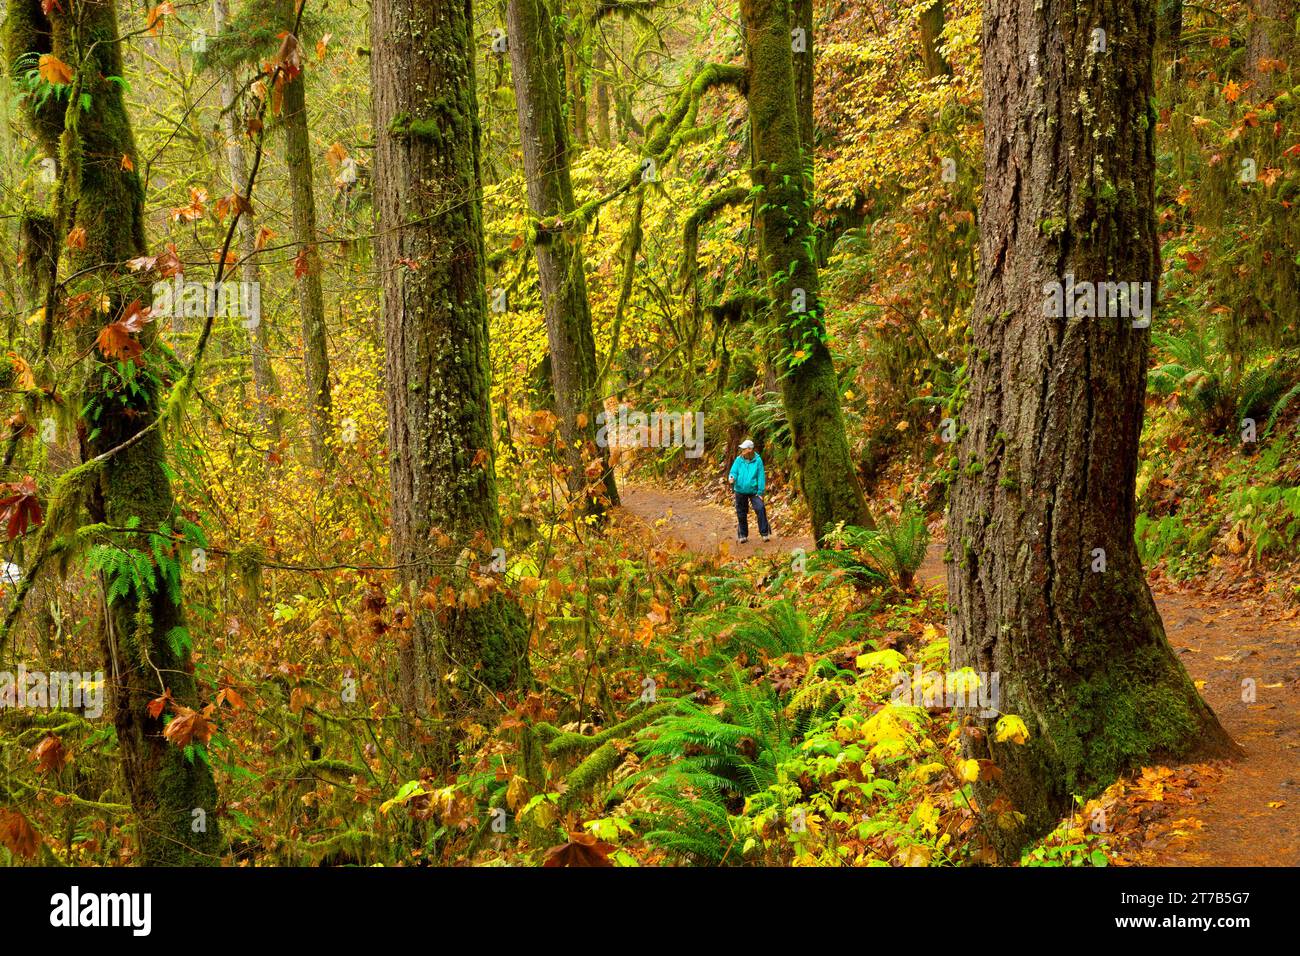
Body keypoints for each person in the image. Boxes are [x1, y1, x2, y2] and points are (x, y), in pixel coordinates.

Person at [728, 439, 771, 543]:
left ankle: (764, 533)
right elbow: (733, 471)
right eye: (742, 449)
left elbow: (761, 476)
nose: (742, 451)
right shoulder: (738, 460)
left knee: (760, 508)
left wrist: (760, 492)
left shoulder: (758, 460)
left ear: (750, 449)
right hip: (740, 490)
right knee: (741, 512)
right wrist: (732, 477)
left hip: (754, 490)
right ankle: (743, 534)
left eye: (744, 449)